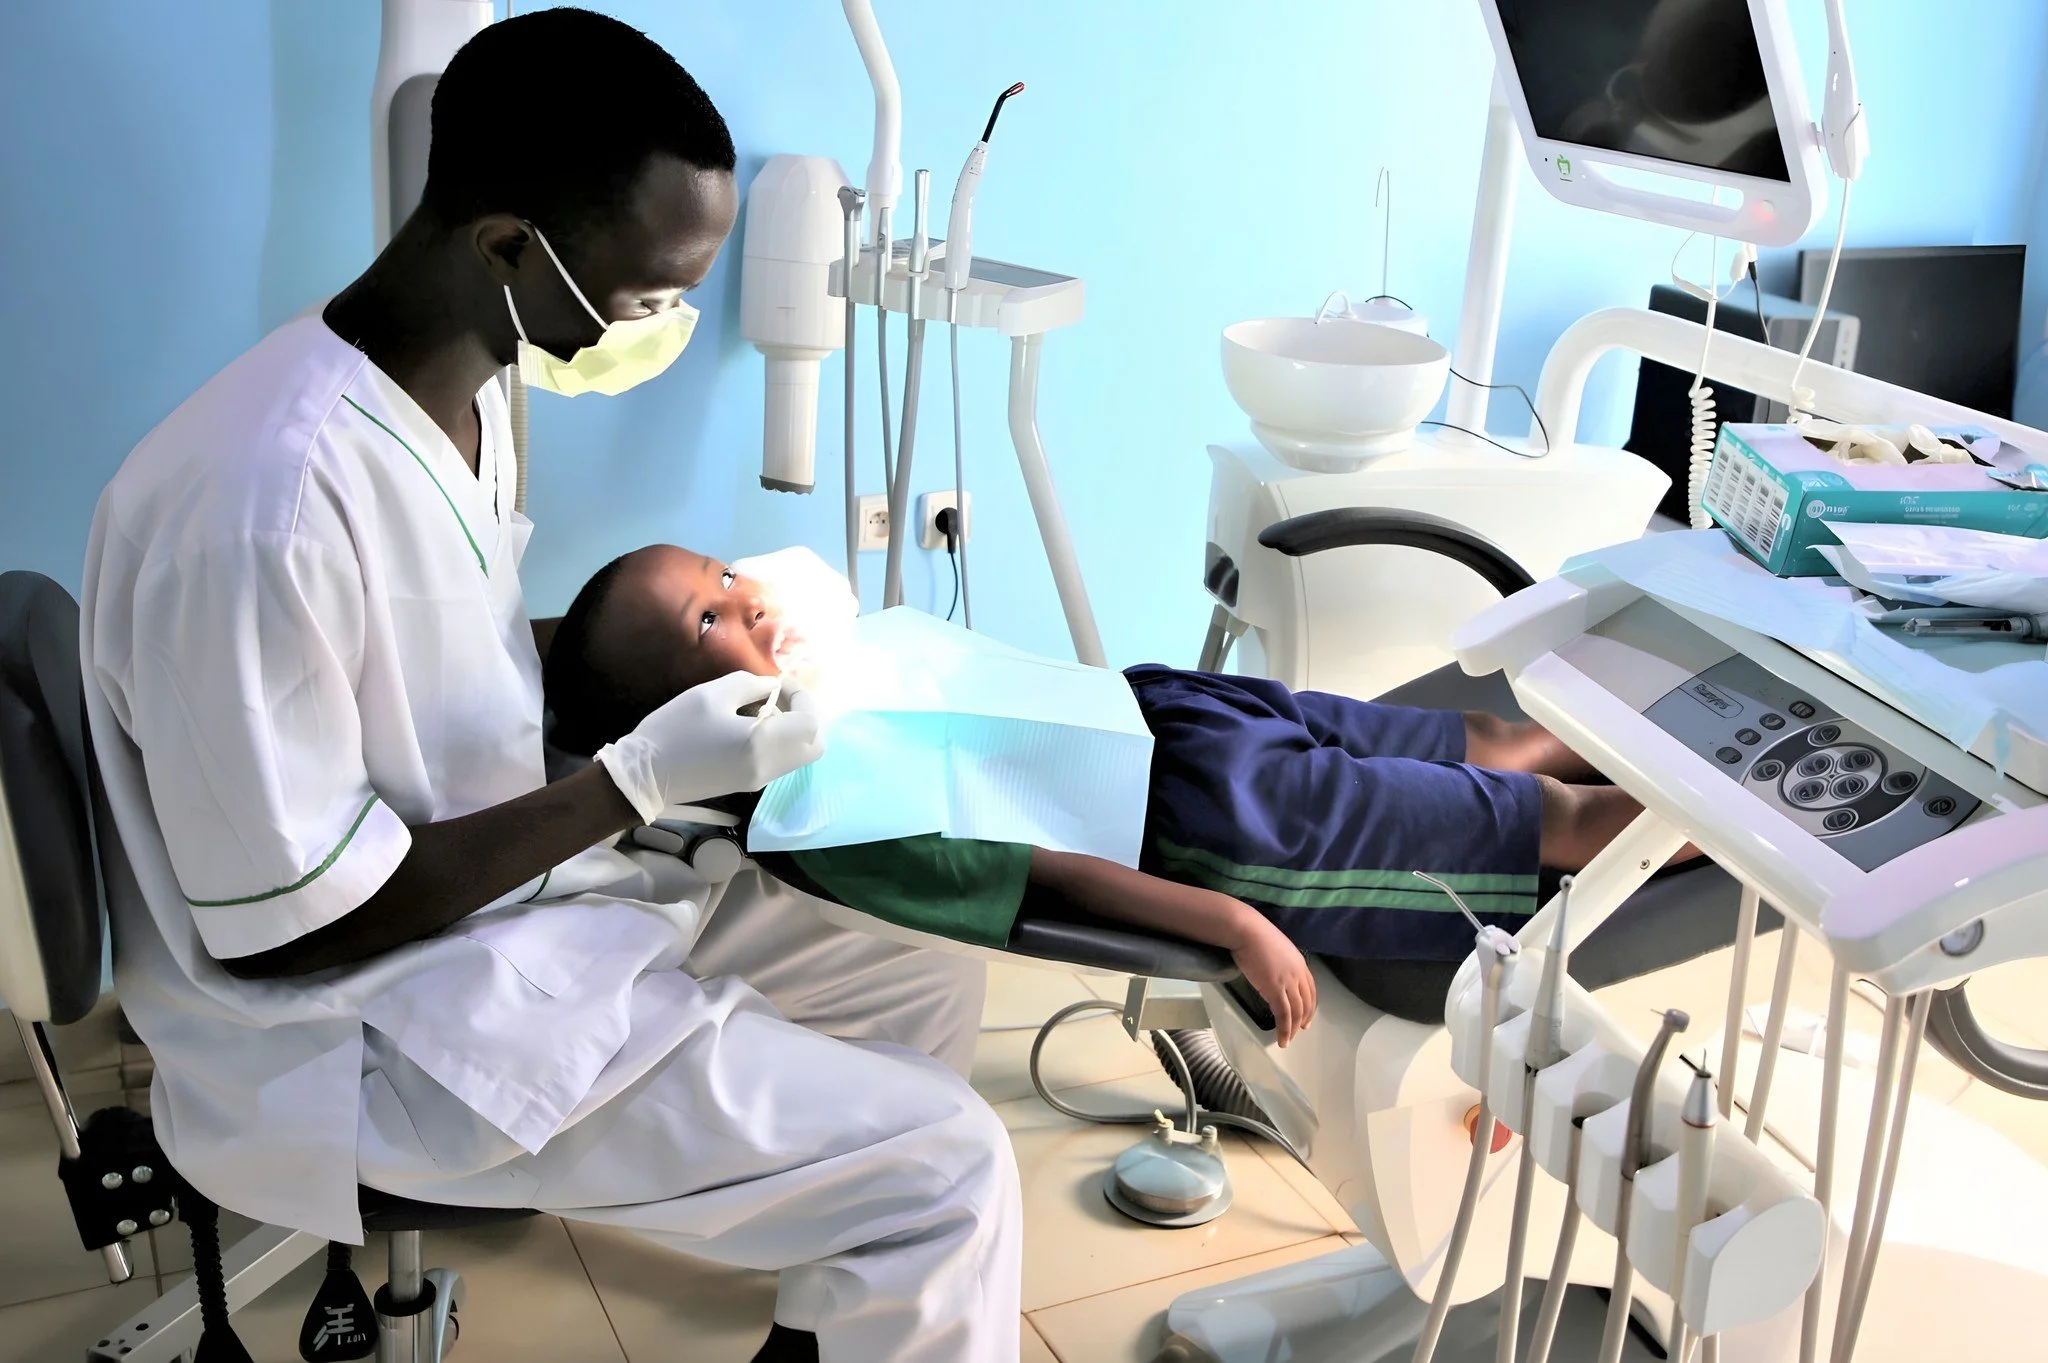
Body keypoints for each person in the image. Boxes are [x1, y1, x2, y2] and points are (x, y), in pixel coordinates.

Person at [82, 12, 1018, 1362]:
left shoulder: (451, 396)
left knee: (914, 949)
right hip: (364, 1024)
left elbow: (427, 637)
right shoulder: (264, 505)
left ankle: (839, 1302)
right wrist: (631, 781)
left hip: (508, 914)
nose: (665, 319)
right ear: (508, 247)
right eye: (645, 291)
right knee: (948, 1170)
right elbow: (284, 932)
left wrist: (692, 646)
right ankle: (884, 1236)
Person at [543, 544, 1685, 1046]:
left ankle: (1717, 741)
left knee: (1493, 735)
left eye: (722, 574)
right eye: (709, 620)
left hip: (1176, 712)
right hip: (1227, 833)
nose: (745, 598)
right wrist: (1236, 925)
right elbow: (1034, 866)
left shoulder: (823, 665)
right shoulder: (820, 814)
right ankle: (1768, 824)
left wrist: (762, 621)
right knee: (1560, 829)